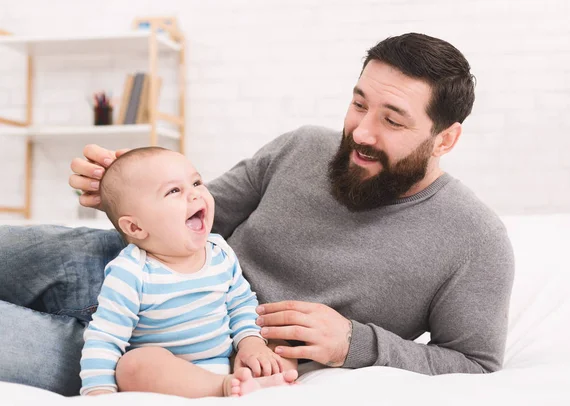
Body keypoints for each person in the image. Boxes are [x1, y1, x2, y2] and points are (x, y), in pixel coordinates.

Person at [0, 33, 514, 396]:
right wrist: (123, 194)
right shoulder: (301, 148)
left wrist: (358, 343)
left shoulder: (475, 240)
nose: (360, 131)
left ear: (445, 138)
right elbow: (203, 212)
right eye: (359, 104)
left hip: (184, 358)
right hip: (116, 265)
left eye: (392, 120)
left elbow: (476, 364)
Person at [79, 147, 297, 397]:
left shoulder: (219, 252)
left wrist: (251, 343)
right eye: (174, 191)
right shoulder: (131, 271)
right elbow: (105, 337)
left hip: (226, 364)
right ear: (136, 227)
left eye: (196, 182)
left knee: (279, 349)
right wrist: (98, 392)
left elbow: (241, 304)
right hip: (168, 377)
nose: (195, 194)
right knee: (132, 365)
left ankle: (257, 382)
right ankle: (224, 389)